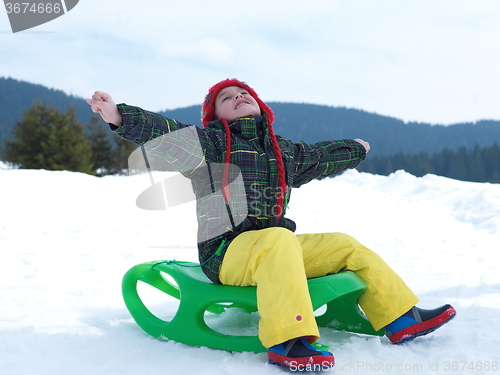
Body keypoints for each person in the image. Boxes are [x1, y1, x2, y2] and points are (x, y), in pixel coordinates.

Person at [87, 79, 456, 370]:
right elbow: (164, 132)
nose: (238, 96)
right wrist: (120, 116)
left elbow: (319, 157)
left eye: (243, 93)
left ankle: (401, 316)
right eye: (226, 97)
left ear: (260, 106)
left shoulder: (283, 151)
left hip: (276, 250)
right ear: (216, 117)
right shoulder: (209, 145)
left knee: (344, 244)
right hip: (227, 253)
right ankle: (287, 340)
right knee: (279, 238)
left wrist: (355, 149)